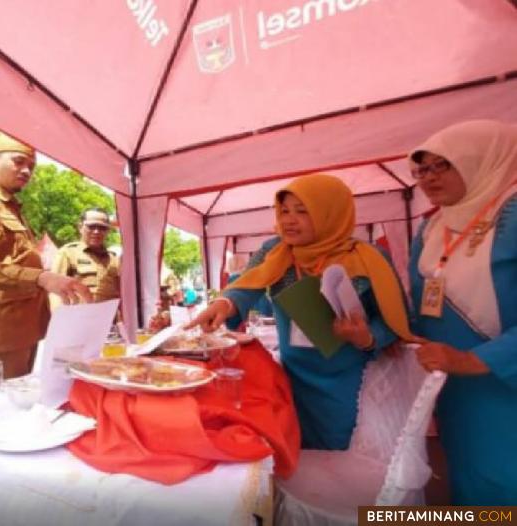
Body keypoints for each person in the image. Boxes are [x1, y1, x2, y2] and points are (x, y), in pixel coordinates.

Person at [187, 174, 416, 450]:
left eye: (302, 211)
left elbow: (397, 320)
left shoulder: (368, 258)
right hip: (289, 377)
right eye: (283, 211)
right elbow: (246, 286)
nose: (288, 220)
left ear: (330, 213)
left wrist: (367, 336)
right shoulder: (276, 251)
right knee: (291, 448)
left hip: (347, 381)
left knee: (336, 458)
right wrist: (223, 304)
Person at [408, 120, 517, 505]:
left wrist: (472, 359)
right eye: (422, 168)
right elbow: (418, 307)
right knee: (468, 481)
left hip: (503, 387)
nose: (429, 178)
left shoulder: (512, 214)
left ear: (484, 160)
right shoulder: (432, 227)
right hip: (452, 388)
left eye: (444, 164)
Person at [0, 133, 90, 378]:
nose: (26, 171)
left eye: (31, 166)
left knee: (21, 404)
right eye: (18, 162)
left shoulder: (12, 209)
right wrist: (41, 277)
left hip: (22, 330)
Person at [50, 208, 120, 309]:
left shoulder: (114, 258)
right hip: (79, 318)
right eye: (91, 226)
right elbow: (55, 290)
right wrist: (58, 318)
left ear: (108, 230)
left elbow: (119, 292)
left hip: (110, 320)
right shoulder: (68, 253)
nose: (96, 231)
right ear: (80, 227)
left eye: (102, 228)